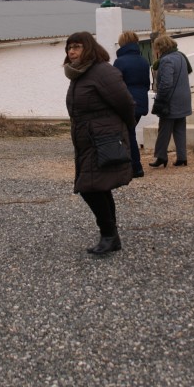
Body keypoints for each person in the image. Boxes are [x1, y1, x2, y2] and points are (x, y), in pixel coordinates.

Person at [64, 31, 136, 255]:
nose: (71, 51)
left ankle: (109, 235)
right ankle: (111, 235)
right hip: (87, 139)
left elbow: (125, 103)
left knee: (89, 187)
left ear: (89, 48)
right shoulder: (79, 74)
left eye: (77, 47)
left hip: (102, 139)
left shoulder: (102, 71)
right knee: (99, 186)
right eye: (69, 47)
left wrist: (123, 130)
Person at [149, 34, 192, 168]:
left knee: (164, 129)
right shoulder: (181, 56)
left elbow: (166, 83)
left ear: (160, 47)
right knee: (179, 128)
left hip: (171, 101)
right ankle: (182, 157)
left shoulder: (167, 60)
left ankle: (161, 156)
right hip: (183, 99)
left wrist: (160, 98)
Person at [112, 30, 151, 178]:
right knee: (130, 133)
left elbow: (115, 85)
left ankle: (135, 167)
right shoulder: (143, 61)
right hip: (141, 103)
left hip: (126, 102)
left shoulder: (120, 62)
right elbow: (147, 84)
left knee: (128, 134)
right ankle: (133, 166)